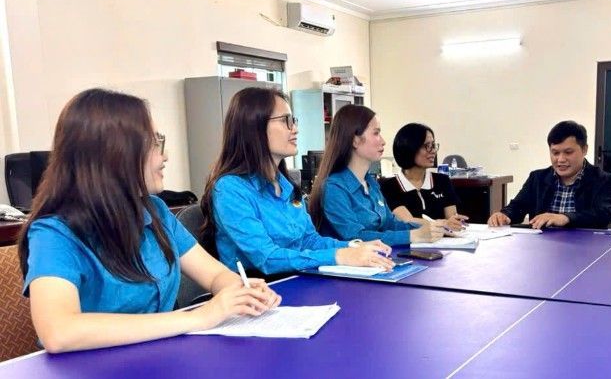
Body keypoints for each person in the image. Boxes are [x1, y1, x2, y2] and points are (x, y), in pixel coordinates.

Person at [18, 89, 280, 353]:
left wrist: (240, 290)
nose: (165, 156)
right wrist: (199, 317)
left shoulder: (155, 211)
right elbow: (59, 332)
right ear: (116, 154)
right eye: (155, 144)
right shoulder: (53, 233)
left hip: (160, 356)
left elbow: (215, 274)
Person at [200, 87, 394, 278]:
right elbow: (267, 258)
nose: (295, 128)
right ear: (254, 126)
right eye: (286, 121)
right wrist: (339, 255)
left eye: (293, 120)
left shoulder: (285, 185)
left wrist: (355, 247)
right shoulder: (230, 189)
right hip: (261, 291)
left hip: (298, 280)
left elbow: (309, 240)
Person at [309, 105, 444, 246]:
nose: (383, 141)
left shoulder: (371, 183)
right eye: (376, 133)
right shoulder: (334, 188)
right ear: (354, 140)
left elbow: (391, 224)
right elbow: (356, 237)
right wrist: (412, 235)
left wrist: (429, 229)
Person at [487, 121, 611, 229]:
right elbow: (518, 206)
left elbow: (604, 214)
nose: (560, 159)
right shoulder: (537, 178)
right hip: (542, 246)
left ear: (584, 149)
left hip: (584, 245)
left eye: (568, 152)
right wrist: (505, 215)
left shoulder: (604, 180)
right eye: (555, 153)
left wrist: (565, 218)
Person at [380, 123, 468, 231]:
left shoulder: (442, 180)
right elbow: (407, 221)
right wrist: (442, 223)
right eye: (427, 146)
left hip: (443, 242)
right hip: (411, 244)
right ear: (409, 148)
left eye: (433, 145)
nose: (433, 151)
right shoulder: (389, 185)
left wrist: (454, 222)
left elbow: (452, 219)